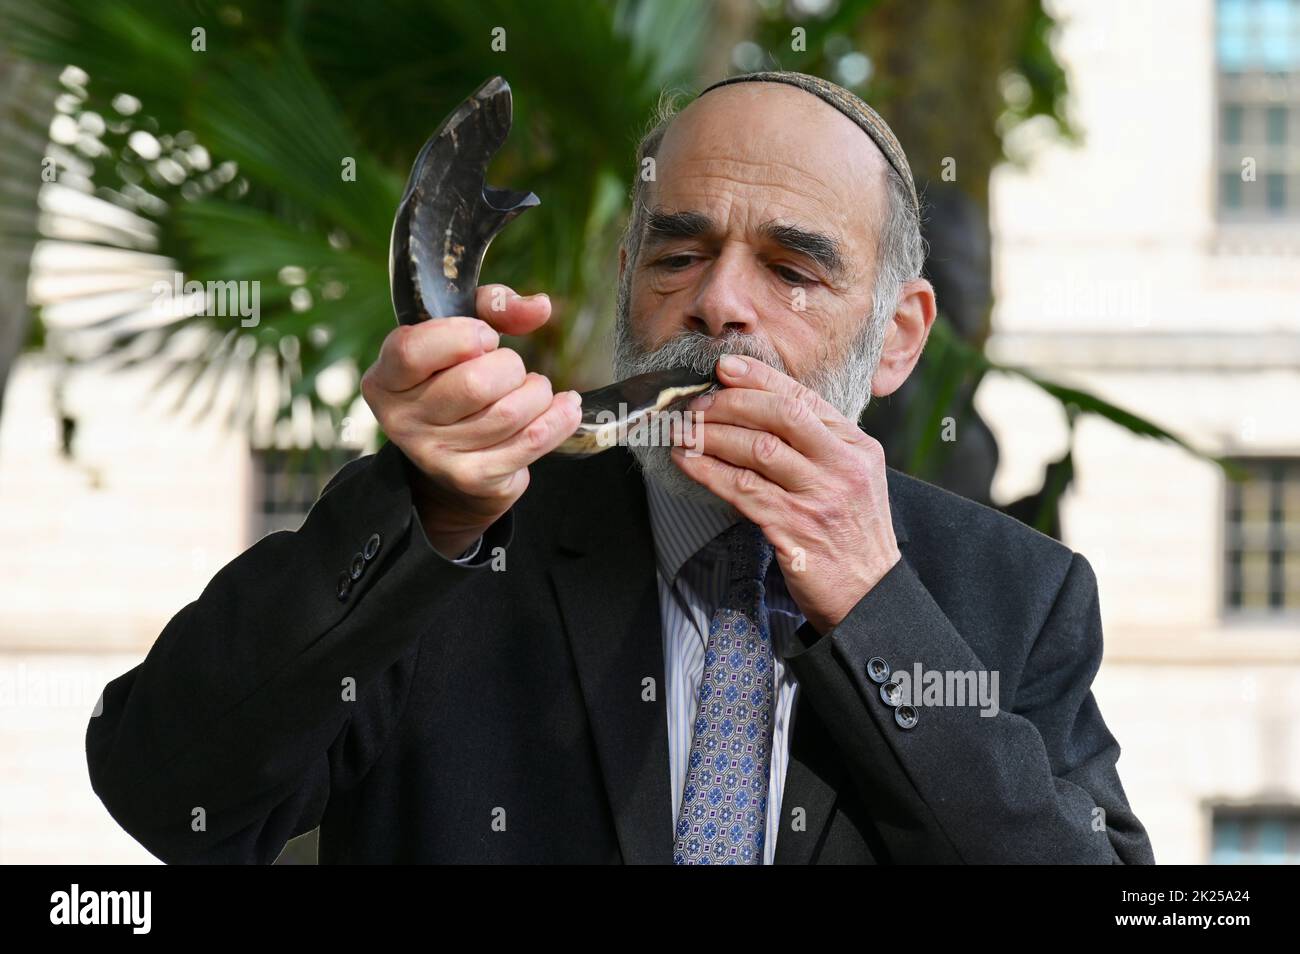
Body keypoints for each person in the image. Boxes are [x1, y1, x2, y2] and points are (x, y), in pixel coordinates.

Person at [86, 70, 1155, 864]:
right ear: (626, 282)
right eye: (678, 254)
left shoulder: (1013, 594)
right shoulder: (461, 535)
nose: (719, 303)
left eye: (791, 268)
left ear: (897, 338)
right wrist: (420, 511)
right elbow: (167, 795)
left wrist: (875, 611)